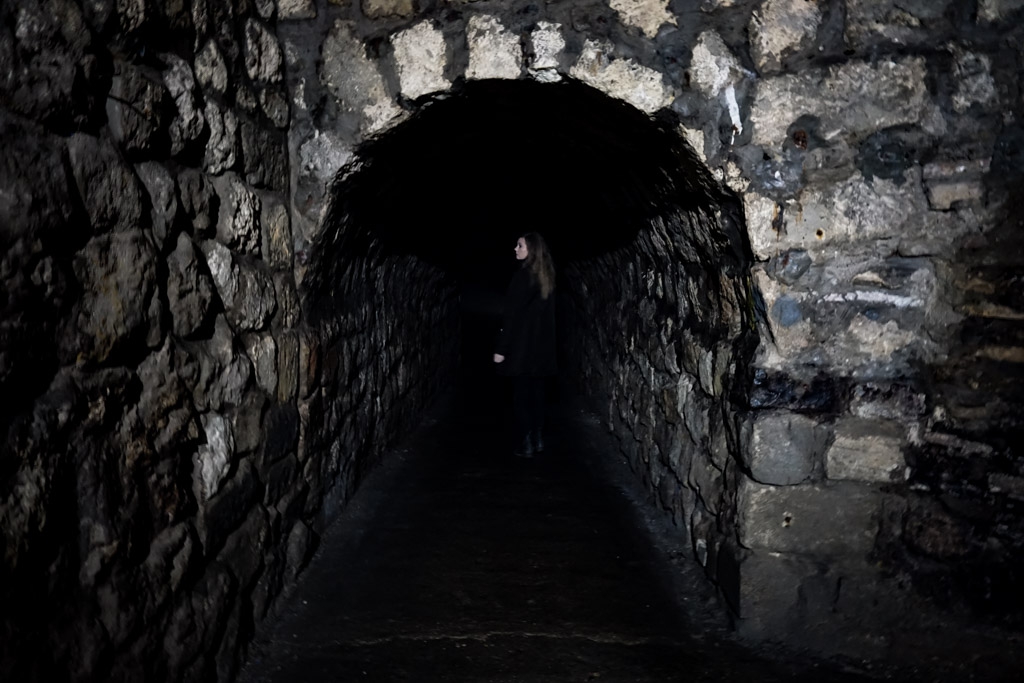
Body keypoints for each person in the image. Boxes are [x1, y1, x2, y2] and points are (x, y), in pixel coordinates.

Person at [493, 232, 557, 457]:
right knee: (537, 394)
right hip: (541, 350)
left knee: (521, 396)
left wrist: (501, 349)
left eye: (520, 245)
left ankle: (527, 441)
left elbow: (511, 316)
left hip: (521, 348)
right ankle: (538, 438)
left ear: (531, 250)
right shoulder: (546, 278)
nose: (515, 249)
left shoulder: (521, 278)